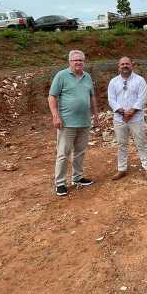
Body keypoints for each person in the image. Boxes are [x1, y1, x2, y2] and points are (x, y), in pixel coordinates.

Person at [48, 49, 99, 197]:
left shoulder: (87, 76)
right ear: (69, 62)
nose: (78, 62)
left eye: (80, 60)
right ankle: (60, 183)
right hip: (66, 123)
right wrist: (55, 116)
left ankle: (77, 177)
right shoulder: (61, 76)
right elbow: (52, 97)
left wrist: (96, 115)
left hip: (84, 121)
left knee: (80, 151)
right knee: (63, 153)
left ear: (84, 62)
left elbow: (92, 97)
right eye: (75, 60)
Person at [107, 56, 147, 181]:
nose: (125, 66)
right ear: (119, 66)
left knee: (141, 143)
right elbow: (111, 99)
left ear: (132, 65)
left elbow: (142, 98)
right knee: (121, 144)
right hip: (119, 118)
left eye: (127, 64)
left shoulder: (140, 80)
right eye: (122, 64)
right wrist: (122, 112)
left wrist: (132, 112)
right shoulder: (113, 82)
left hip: (136, 118)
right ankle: (121, 169)